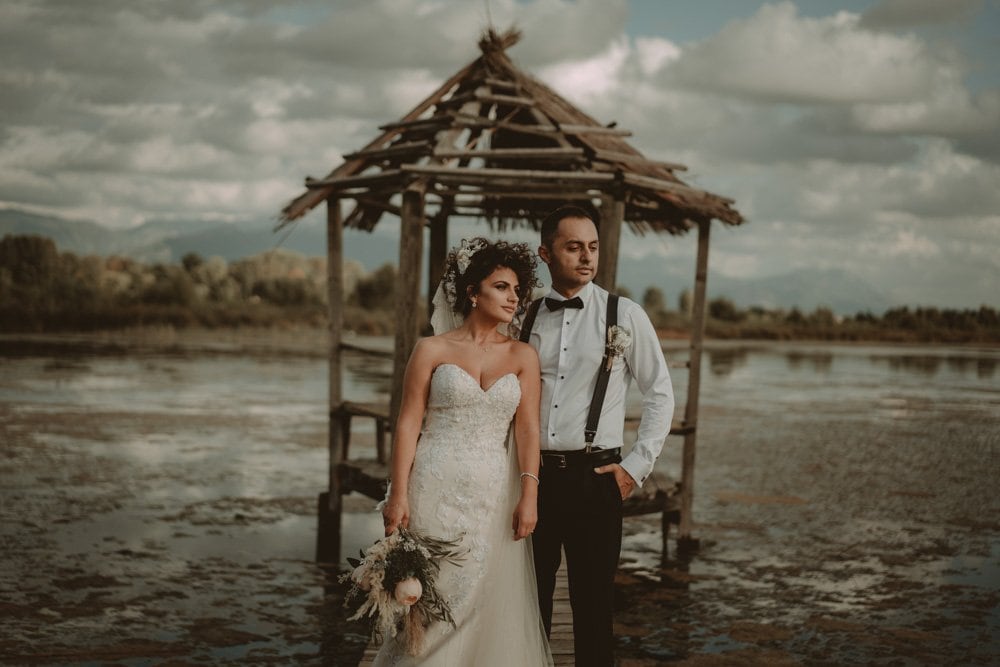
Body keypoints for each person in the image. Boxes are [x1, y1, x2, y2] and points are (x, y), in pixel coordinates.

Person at [377, 238, 553, 666]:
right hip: (432, 486)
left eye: (517, 290)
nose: (514, 298)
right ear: (473, 292)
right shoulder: (431, 349)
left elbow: (528, 429)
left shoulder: (523, 356)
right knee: (425, 598)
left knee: (477, 598)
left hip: (491, 495)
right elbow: (407, 423)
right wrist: (397, 494)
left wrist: (529, 493)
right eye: (501, 287)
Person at [520, 205, 675, 666]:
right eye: (573, 247)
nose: (586, 257)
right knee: (529, 607)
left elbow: (661, 394)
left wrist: (634, 469)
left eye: (592, 247)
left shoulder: (624, 314)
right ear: (545, 252)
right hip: (532, 480)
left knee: (593, 611)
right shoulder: (525, 316)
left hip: (596, 478)